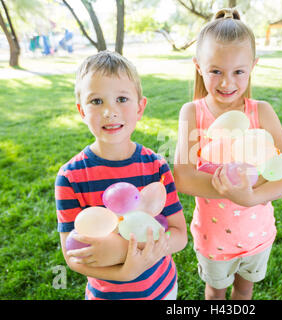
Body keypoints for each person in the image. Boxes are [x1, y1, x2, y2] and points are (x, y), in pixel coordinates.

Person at [173, 8, 282, 300]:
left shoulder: (262, 113)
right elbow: (183, 177)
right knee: (216, 292)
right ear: (198, 66)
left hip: (257, 236)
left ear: (253, 66)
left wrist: (252, 197)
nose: (226, 83)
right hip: (214, 239)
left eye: (238, 72)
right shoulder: (192, 113)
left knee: (244, 290)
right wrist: (235, 189)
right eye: (216, 71)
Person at [55, 51, 187, 300]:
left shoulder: (156, 166)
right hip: (106, 295)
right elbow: (72, 256)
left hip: (162, 289)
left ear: (140, 107)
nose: (110, 111)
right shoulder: (70, 178)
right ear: (81, 111)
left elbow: (179, 234)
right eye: (96, 101)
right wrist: (125, 273)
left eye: (122, 99)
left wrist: (135, 249)